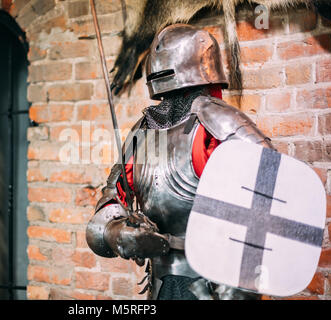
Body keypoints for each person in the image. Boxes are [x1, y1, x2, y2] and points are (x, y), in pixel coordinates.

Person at [86, 24, 274, 300]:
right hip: (161, 284)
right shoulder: (144, 131)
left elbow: (268, 204)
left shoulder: (222, 123)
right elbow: (109, 203)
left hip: (216, 285)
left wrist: (238, 289)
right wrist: (118, 233)